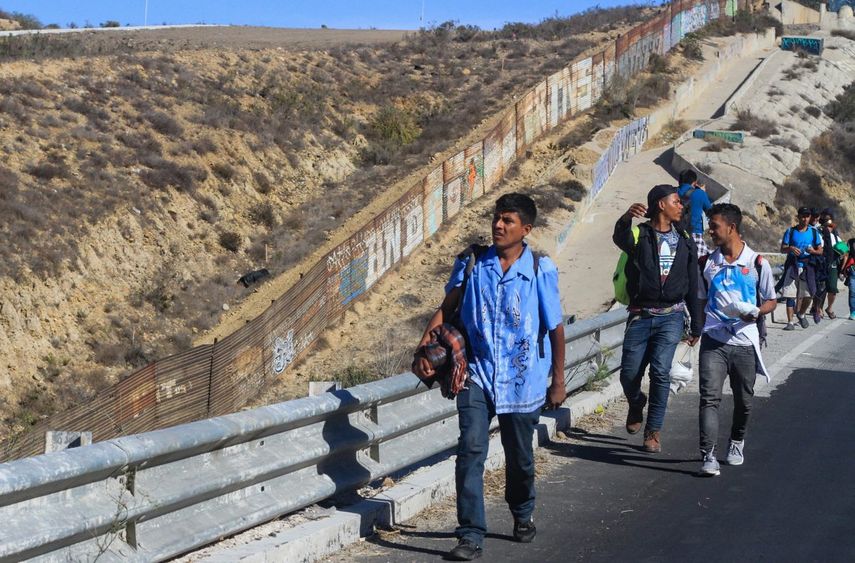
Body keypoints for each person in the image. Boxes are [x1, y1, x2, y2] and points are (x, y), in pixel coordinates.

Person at [413, 193, 564, 561]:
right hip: (476, 373)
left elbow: (556, 328)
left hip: (522, 380)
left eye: (508, 221)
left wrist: (557, 380)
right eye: (497, 218)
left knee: (520, 457)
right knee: (471, 451)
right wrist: (424, 350)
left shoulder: (540, 269)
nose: (498, 225)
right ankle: (470, 533)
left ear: (525, 229)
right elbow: (446, 308)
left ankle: (522, 510)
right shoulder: (471, 263)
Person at [612, 185, 702, 454]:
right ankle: (636, 401)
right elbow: (620, 237)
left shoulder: (685, 239)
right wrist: (627, 217)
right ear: (661, 205)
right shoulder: (640, 235)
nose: (681, 206)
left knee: (661, 372)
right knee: (629, 374)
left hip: (671, 317)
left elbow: (693, 284)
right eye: (676, 201)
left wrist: (697, 324)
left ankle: (653, 430)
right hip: (640, 316)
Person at [696, 204, 777, 476]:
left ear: (731, 227)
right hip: (713, 341)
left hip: (744, 343)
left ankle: (736, 442)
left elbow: (771, 300)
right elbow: (699, 299)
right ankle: (708, 455)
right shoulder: (707, 263)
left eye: (714, 225)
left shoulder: (757, 263)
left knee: (744, 401)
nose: (710, 231)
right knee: (709, 398)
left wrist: (756, 311)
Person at [779, 207, 823, 331]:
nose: (805, 219)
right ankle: (790, 322)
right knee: (789, 295)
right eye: (803, 216)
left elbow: (820, 250)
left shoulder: (814, 233)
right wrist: (791, 249)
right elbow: (783, 248)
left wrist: (813, 251)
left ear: (810, 217)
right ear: (798, 216)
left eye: (807, 216)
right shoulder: (790, 231)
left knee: (809, 295)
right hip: (793, 265)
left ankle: (801, 314)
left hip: (808, 266)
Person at [677, 169, 713, 256]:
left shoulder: (672, 193)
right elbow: (711, 211)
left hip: (676, 233)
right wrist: (702, 192)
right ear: (694, 182)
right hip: (695, 234)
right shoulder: (700, 193)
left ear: (679, 181)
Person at [815, 209, 843, 319]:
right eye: (826, 224)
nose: (828, 227)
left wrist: (843, 267)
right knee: (821, 288)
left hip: (833, 265)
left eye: (830, 225)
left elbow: (844, 251)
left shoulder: (836, 237)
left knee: (832, 288)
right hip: (821, 264)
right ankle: (819, 308)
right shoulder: (817, 233)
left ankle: (829, 308)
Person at [842, 238, 855, 321]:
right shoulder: (850, 241)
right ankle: (853, 312)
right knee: (853, 292)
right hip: (852, 270)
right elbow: (846, 255)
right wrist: (843, 269)